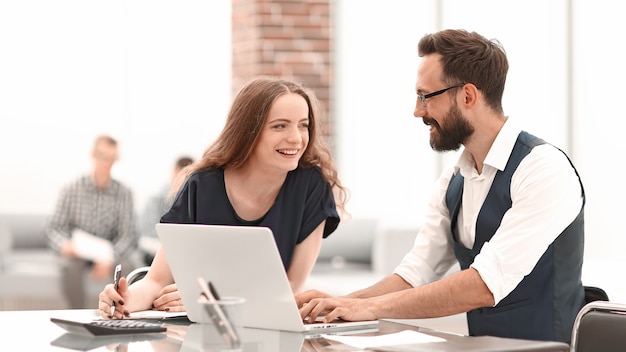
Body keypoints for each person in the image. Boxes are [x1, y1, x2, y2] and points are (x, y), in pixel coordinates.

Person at [297, 29, 585, 343]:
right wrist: (343, 305)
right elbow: (416, 273)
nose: (418, 110)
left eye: (425, 96)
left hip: (548, 349)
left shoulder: (543, 169)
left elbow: (485, 284)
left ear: (468, 96)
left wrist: (370, 308)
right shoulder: (454, 181)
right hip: (485, 349)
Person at [98, 76, 348, 319]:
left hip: (266, 328)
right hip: (203, 333)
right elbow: (156, 280)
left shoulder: (311, 185)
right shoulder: (202, 185)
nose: (296, 138)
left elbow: (291, 286)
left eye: (303, 124)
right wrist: (124, 301)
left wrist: (209, 299)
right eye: (279, 125)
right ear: (248, 131)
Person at [46, 134, 139, 309]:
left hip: (110, 251)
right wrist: (65, 245)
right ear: (93, 155)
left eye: (112, 159)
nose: (107, 163)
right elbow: (54, 228)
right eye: (104, 157)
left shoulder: (124, 194)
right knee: (69, 267)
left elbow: (128, 235)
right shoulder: (71, 189)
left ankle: (121, 313)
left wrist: (109, 257)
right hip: (79, 253)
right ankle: (76, 313)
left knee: (127, 266)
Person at [138, 155, 194, 265]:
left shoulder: (193, 199)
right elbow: (150, 232)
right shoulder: (157, 198)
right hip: (156, 250)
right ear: (174, 171)